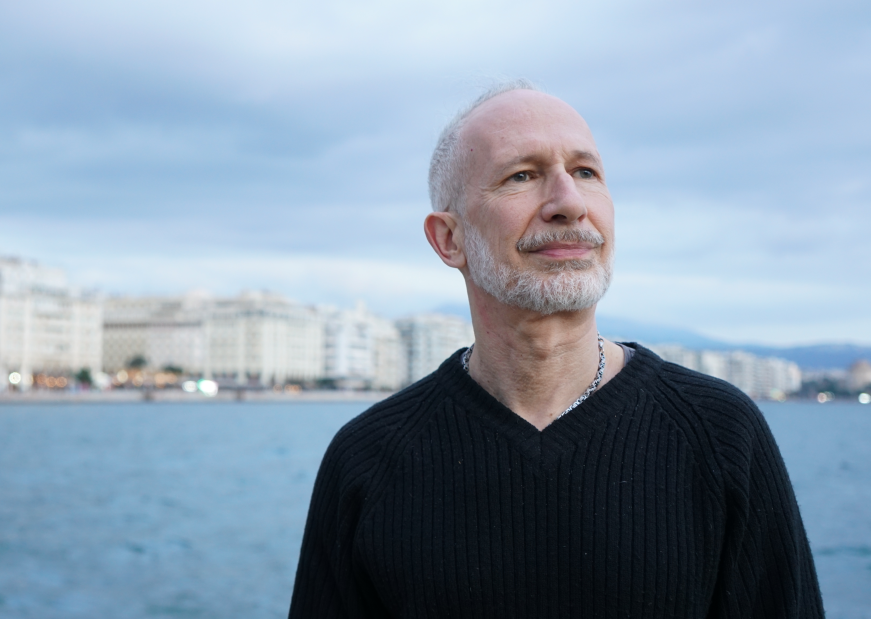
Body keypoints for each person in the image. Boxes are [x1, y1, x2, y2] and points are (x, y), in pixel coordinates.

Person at [289, 80, 824, 618]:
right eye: (522, 175)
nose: (569, 202)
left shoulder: (719, 433)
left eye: (586, 173)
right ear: (449, 239)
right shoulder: (368, 460)